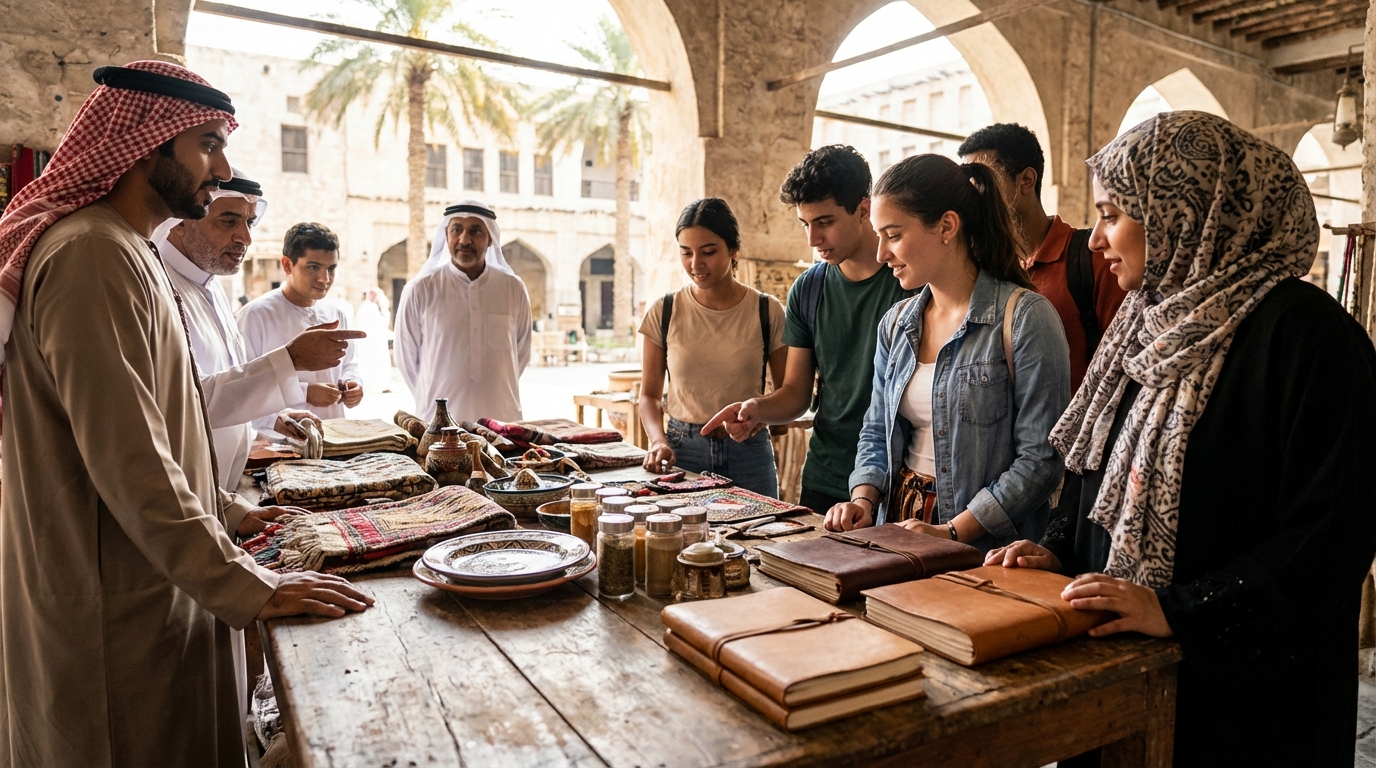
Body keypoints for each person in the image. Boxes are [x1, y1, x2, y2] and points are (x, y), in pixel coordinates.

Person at [0, 61, 371, 766]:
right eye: (206, 142)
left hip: (159, 575)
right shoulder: (89, 256)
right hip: (114, 598)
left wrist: (227, 513)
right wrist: (248, 585)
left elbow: (166, 421)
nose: (221, 164)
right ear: (147, 144)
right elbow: (128, 458)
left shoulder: (124, 251)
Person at [986, 111, 1376, 767]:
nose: (1098, 241)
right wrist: (1059, 549)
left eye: (1113, 215)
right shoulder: (1142, 324)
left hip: (1246, 706)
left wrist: (1183, 611)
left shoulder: (1310, 338)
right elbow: (1093, 471)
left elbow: (1335, 532)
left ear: (1191, 211)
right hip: (1119, 679)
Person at [828, 155, 1070, 552]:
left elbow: (1041, 460)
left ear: (946, 226)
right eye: (879, 236)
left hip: (987, 544)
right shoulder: (896, 323)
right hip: (900, 526)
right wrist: (863, 499)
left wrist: (953, 531)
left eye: (893, 234)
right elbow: (876, 428)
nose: (881, 254)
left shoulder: (1025, 318)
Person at [702, 145, 915, 513]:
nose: (812, 239)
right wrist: (758, 409)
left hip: (897, 481)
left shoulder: (910, 282)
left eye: (825, 222)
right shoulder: (809, 289)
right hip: (825, 478)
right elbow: (797, 393)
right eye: (805, 224)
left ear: (864, 210)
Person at [156, 169, 366, 490]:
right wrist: (291, 359)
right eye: (229, 221)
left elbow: (229, 386)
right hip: (178, 496)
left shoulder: (210, 287)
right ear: (182, 220)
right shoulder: (157, 287)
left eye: (249, 222)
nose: (246, 238)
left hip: (222, 492)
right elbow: (185, 401)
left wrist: (274, 419)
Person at [958, 124, 1128, 392]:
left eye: (983, 181)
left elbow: (1120, 363)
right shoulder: (976, 267)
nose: (972, 195)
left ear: (1026, 180)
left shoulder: (1091, 259)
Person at [638, 198, 788, 497]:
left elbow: (788, 394)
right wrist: (658, 442)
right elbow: (649, 396)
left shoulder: (766, 310)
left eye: (708, 252)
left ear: (734, 251)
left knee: (760, 538)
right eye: (686, 253)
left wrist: (758, 416)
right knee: (682, 541)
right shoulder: (664, 311)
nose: (696, 264)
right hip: (682, 451)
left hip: (749, 452)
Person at [394, 200, 531, 422]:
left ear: (490, 240)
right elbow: (405, 358)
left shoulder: (512, 287)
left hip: (502, 421)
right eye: (456, 229)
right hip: (439, 427)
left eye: (475, 231)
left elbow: (521, 352)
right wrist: (431, 397)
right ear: (446, 235)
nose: (464, 240)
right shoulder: (421, 288)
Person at [238, 222, 363, 428]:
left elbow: (350, 365)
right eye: (313, 267)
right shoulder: (256, 316)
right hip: (278, 441)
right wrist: (305, 391)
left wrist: (353, 385)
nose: (324, 278)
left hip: (336, 435)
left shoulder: (337, 312)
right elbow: (243, 387)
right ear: (287, 265)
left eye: (331, 268)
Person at [354, 285, 393, 394]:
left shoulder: (365, 306)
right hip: (373, 341)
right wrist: (385, 312)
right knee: (376, 362)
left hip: (370, 341)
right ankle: (378, 384)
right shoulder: (371, 307)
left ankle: (377, 384)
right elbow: (381, 324)